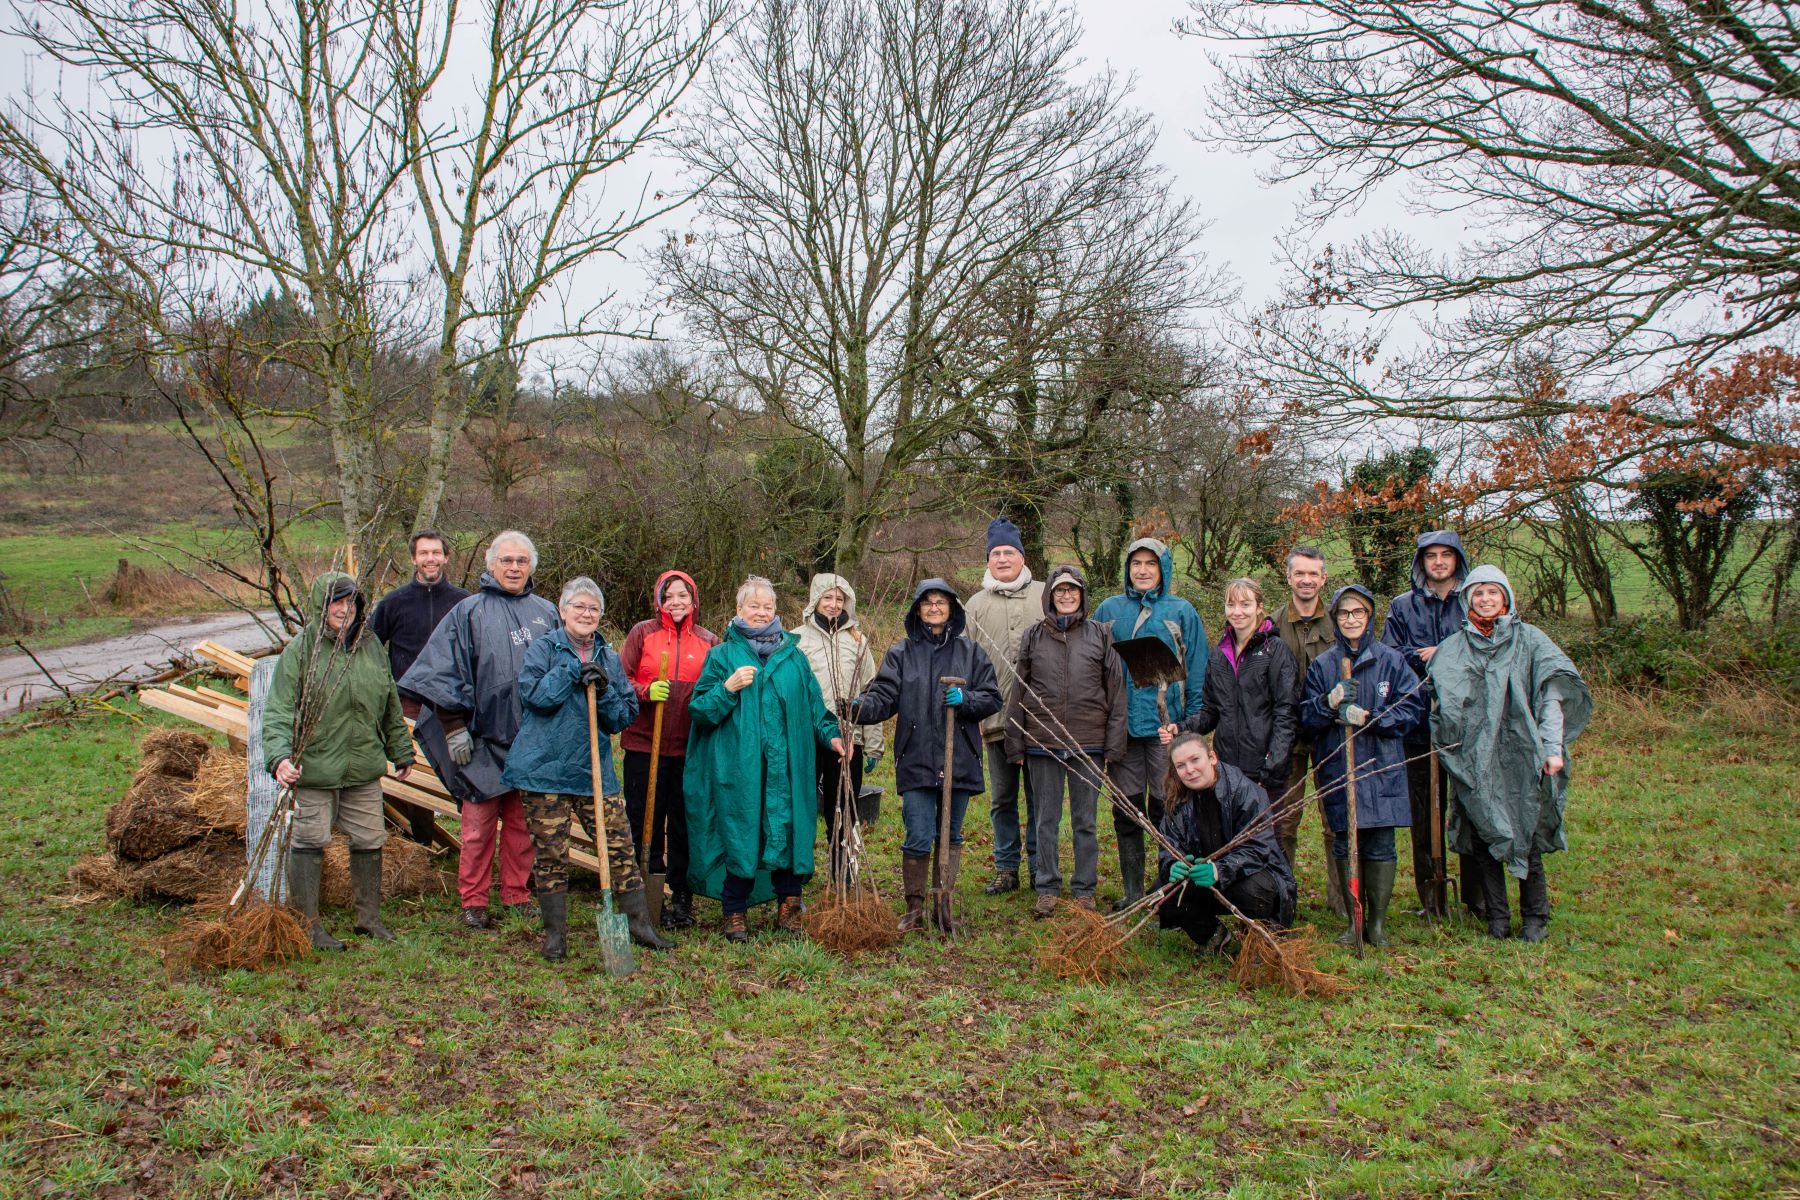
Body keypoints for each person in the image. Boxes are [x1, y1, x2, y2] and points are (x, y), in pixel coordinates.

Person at [502, 578, 672, 961]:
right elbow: (534, 698)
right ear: (562, 612)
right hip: (544, 771)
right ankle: (555, 936)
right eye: (578, 606)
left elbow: (623, 717)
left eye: (593, 608)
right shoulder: (543, 649)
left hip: (593, 770)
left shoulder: (609, 657)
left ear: (600, 615)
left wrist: (606, 686)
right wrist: (570, 674)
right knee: (551, 854)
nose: (586, 614)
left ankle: (640, 925)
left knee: (620, 848)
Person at [400, 531, 558, 930]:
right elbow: (441, 671)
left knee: (522, 826)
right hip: (479, 741)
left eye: (522, 561)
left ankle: (517, 893)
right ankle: (473, 900)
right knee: (477, 829)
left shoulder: (547, 613)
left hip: (530, 740)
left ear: (531, 567)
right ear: (491, 565)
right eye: (506, 560)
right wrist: (453, 728)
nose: (514, 567)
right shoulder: (468, 612)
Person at [1428, 566, 1591, 942]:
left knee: (1525, 836)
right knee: (1485, 836)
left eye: (1492, 592)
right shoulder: (1455, 647)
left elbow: (1551, 698)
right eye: (1478, 593)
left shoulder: (1530, 641)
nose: (1485, 599)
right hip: (1474, 760)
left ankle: (1535, 918)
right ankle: (1497, 918)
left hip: (1522, 754)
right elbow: (1443, 705)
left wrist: (1552, 749)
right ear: (1468, 599)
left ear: (1506, 597)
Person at [684, 576, 845, 943]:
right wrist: (728, 688)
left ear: (776, 611)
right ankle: (734, 912)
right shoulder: (721, 656)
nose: (760, 612)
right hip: (741, 767)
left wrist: (832, 735)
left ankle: (789, 906)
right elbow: (700, 711)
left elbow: (815, 709)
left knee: (788, 828)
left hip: (787, 766)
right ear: (738, 610)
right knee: (743, 830)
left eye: (767, 606)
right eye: (753, 605)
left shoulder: (794, 658)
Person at [264, 572, 415, 950]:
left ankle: (369, 919)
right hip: (315, 768)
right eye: (336, 601)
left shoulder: (371, 647)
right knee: (310, 839)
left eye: (351, 602)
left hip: (362, 765)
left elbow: (389, 704)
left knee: (369, 837)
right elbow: (279, 710)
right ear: (321, 605)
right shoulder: (301, 652)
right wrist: (280, 757)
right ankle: (308, 925)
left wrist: (400, 749)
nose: (344, 609)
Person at [853, 579, 1001, 932]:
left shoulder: (971, 653)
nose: (934, 607)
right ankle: (915, 906)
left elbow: (992, 697)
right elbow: (884, 695)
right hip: (916, 755)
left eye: (941, 602)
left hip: (959, 756)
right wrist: (859, 707)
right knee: (918, 833)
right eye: (927, 602)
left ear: (952, 608)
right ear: (917, 610)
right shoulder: (901, 654)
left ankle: (944, 903)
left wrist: (967, 702)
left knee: (949, 835)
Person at [1299, 585, 1426, 948]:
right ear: (1335, 619)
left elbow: (1413, 706)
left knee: (1381, 842)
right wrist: (1329, 702)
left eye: (1358, 613)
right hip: (1340, 764)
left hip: (1381, 764)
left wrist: (1372, 718)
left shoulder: (1390, 661)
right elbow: (1306, 716)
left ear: (1369, 617)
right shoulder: (1325, 664)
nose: (1351, 619)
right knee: (1344, 842)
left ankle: (1378, 924)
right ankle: (1354, 921)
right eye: (1344, 613)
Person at [1003, 565, 1126, 917]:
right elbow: (1019, 689)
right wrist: (1016, 740)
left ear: (1082, 596)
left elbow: (1116, 691)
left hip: (1090, 741)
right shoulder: (1033, 636)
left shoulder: (1100, 635)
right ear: (1051, 596)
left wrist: (1114, 743)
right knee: (1045, 818)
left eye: (1073, 590)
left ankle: (1085, 888)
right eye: (1060, 591)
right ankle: (1047, 886)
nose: (1067, 596)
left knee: (1085, 820)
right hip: (1042, 741)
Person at [1092, 537, 1207, 910]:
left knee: (1166, 808)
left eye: (1150, 564)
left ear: (1163, 569)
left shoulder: (1181, 611)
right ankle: (1130, 891)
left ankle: (1165, 888)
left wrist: (1188, 724)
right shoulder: (1109, 609)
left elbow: (1198, 672)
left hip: (1165, 731)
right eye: (1136, 564)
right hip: (1122, 726)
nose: (1142, 570)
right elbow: (1093, 664)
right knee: (1127, 809)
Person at [1379, 529, 1474, 918]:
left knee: (1470, 809)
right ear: (1421, 563)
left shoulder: (1472, 601)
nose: (1438, 562)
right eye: (1431, 556)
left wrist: (1446, 653)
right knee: (1424, 811)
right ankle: (1431, 897)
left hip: (1466, 724)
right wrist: (1430, 658)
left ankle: (1475, 897)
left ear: (1457, 560)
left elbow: (1483, 646)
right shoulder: (1403, 606)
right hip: (1417, 722)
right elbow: (1392, 653)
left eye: (1445, 555)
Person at [617, 570, 719, 930]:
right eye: (669, 596)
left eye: (682, 596)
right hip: (646, 745)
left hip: (689, 750)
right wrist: (645, 691)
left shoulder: (709, 641)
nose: (676, 602)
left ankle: (682, 896)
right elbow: (620, 680)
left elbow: (715, 691)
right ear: (658, 599)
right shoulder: (642, 634)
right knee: (644, 819)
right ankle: (642, 891)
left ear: (694, 600)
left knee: (683, 823)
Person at [1159, 577, 1299, 811]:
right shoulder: (1219, 655)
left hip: (1264, 768)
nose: (1237, 612)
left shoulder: (1276, 651)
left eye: (1245, 604)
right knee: (1230, 838)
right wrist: (1181, 727)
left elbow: (1287, 712)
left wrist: (1273, 764)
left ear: (1259, 607)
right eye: (1231, 605)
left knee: (1265, 839)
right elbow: (1211, 711)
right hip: (1226, 767)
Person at [368, 529, 470, 844]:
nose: (430, 559)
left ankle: (470, 839)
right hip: (409, 702)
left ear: (446, 557)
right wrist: (384, 688)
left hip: (452, 704)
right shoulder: (393, 603)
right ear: (413, 558)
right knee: (416, 772)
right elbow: (370, 648)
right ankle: (423, 842)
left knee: (461, 768)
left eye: (436, 553)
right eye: (424, 553)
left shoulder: (463, 603)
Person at [963, 516, 1046, 895]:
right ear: (987, 559)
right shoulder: (975, 605)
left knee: (1040, 799)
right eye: (995, 553)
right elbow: (963, 660)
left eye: (1008, 552)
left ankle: (1039, 866)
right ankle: (1006, 867)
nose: (1002, 558)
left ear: (1022, 556)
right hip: (994, 719)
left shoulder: (1046, 595)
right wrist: (973, 708)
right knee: (1002, 798)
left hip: (1043, 721)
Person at [1155, 733, 1296, 954]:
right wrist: (1172, 864)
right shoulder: (1177, 800)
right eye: (1181, 766)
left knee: (1252, 892)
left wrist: (1220, 869)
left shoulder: (1244, 791)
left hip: (1254, 877)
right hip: (1204, 879)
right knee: (1162, 893)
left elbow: (1260, 847)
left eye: (1195, 760)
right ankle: (1212, 936)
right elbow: (1168, 844)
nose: (1189, 770)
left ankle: (1262, 930)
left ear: (1212, 757)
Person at [794, 573, 883, 881]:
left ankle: (842, 873)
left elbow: (872, 693)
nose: (833, 605)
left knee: (842, 807)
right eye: (827, 598)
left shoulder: (857, 642)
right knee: (801, 806)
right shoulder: (796, 641)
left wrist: (871, 742)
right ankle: (798, 875)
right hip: (806, 738)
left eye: (839, 599)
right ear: (815, 600)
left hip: (847, 738)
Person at [1274, 545, 1343, 913]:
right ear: (1288, 576)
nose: (1306, 580)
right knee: (1285, 821)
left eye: (1313, 574)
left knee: (1336, 820)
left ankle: (1342, 901)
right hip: (1289, 737)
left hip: (1331, 735)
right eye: (1299, 573)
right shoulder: (1271, 624)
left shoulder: (1339, 621)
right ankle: (1283, 897)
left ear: (1323, 578)